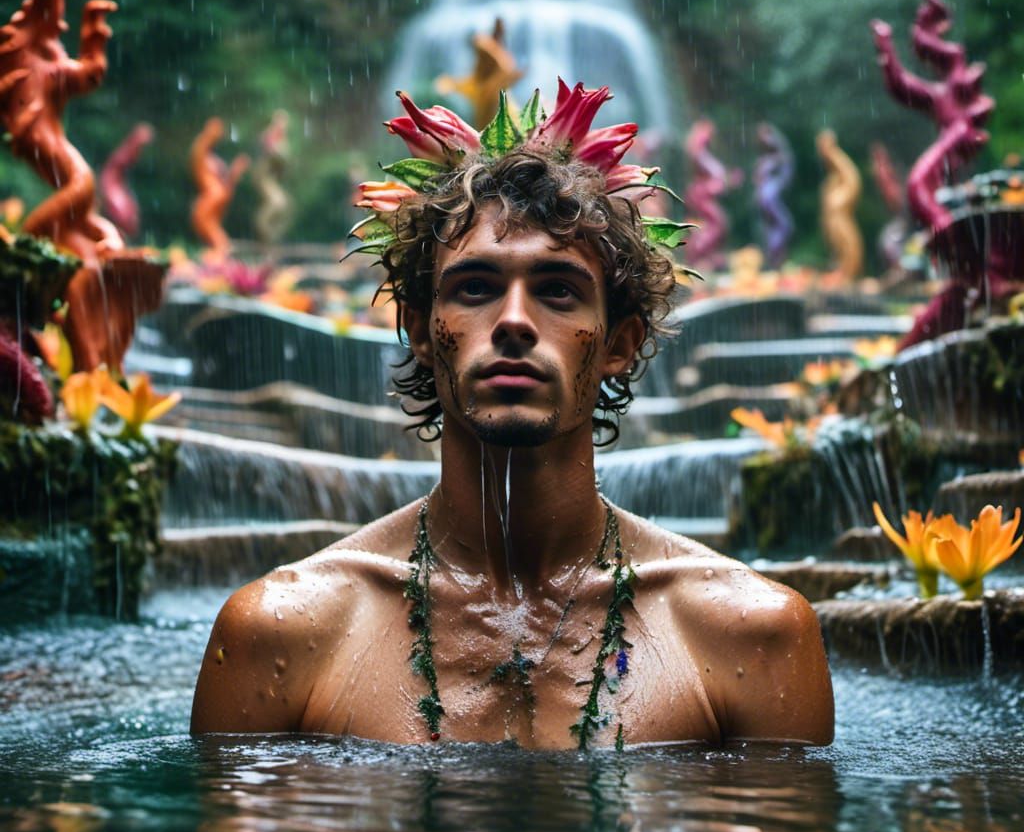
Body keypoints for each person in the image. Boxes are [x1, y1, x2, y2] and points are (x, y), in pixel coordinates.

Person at [191, 82, 834, 749]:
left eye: (557, 291)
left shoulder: (751, 636)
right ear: (418, 327)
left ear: (620, 343)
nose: (515, 324)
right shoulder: (284, 633)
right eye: (475, 288)